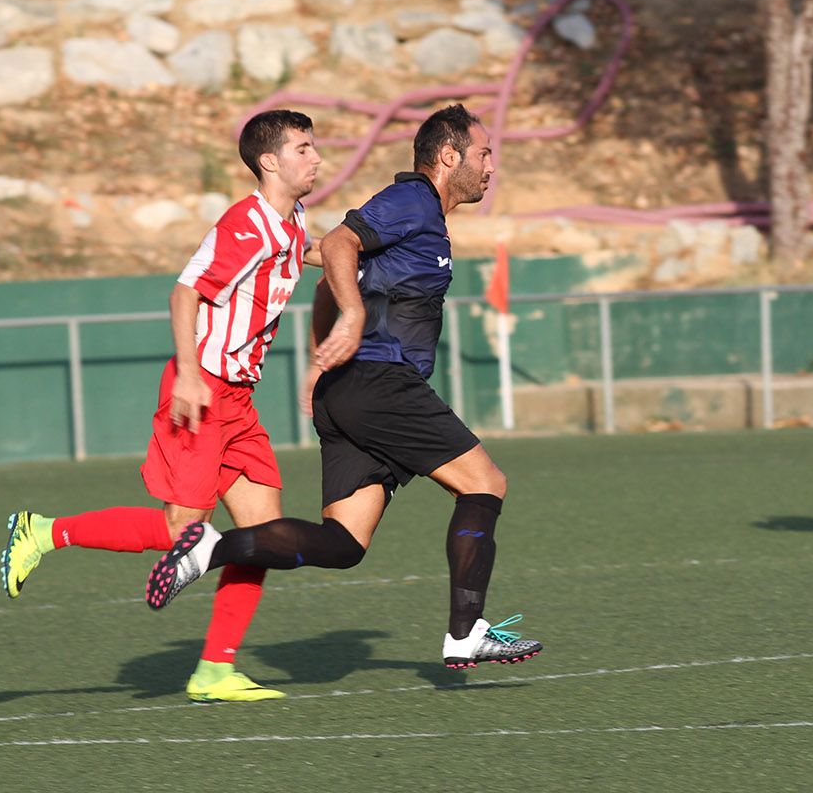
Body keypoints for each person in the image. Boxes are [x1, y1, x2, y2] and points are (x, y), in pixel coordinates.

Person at [142, 103, 542, 671]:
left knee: (344, 545)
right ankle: (465, 630)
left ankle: (210, 548)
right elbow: (336, 247)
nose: (490, 167)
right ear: (448, 156)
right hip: (381, 383)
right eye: (483, 154)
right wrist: (352, 320)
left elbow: (336, 269)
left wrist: (315, 358)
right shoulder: (412, 201)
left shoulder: (425, 220)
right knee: (485, 484)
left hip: (351, 390)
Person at [0, 109, 329, 703]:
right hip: (201, 391)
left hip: (240, 402)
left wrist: (364, 252)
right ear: (270, 162)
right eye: (303, 148)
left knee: (262, 537)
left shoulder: (291, 221)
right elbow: (185, 292)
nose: (316, 157)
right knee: (184, 529)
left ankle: (213, 671)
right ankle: (44, 532)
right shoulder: (244, 224)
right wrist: (188, 375)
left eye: (315, 147)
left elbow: (304, 250)